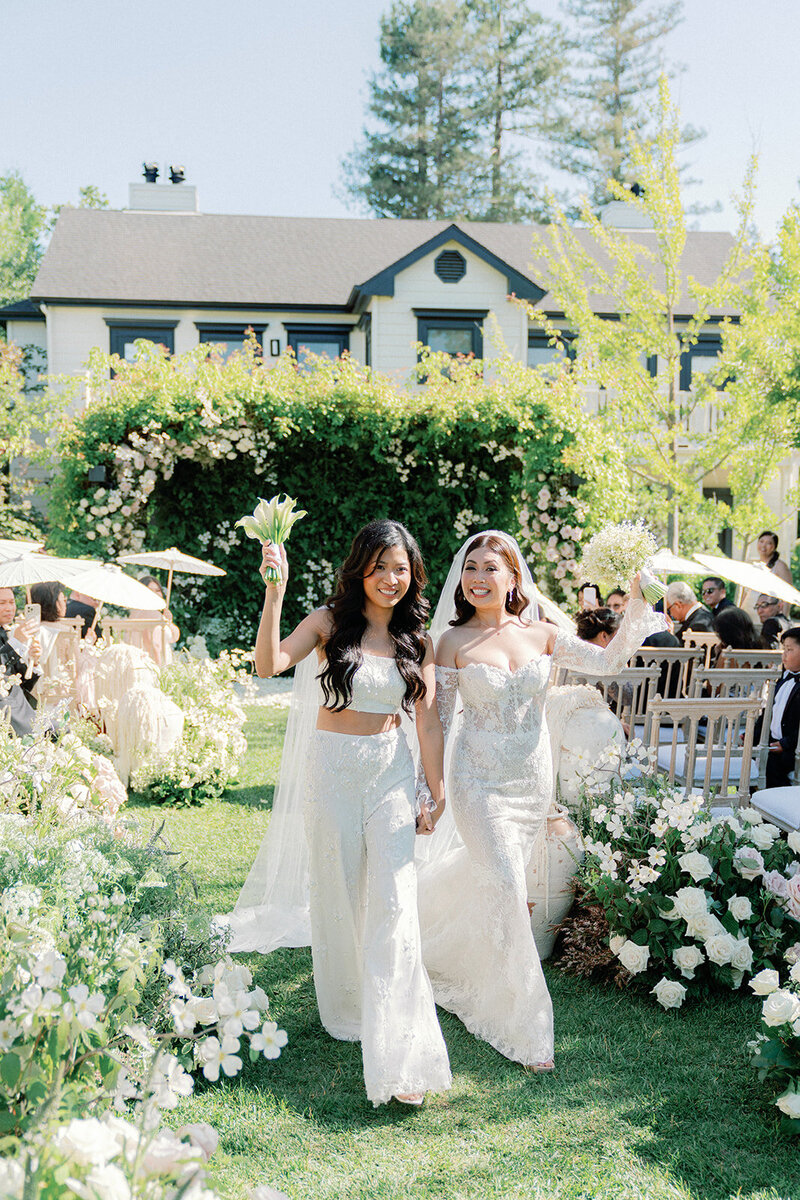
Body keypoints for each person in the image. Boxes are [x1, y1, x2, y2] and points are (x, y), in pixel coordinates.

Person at [416, 532, 662, 1074]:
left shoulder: (545, 634)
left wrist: (636, 602)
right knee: (507, 884)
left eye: (490, 568)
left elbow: (610, 661)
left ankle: (439, 948)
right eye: (470, 568)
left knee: (497, 884)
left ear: (513, 577)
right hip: (477, 783)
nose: (477, 578)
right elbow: (435, 723)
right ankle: (523, 1023)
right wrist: (428, 791)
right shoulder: (450, 642)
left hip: (529, 784)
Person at [229, 520, 451, 1109]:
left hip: (391, 773)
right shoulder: (329, 622)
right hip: (332, 772)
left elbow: (428, 722)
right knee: (340, 891)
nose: (390, 579)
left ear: (413, 575)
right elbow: (269, 664)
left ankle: (402, 1043)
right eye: (380, 567)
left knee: (395, 899)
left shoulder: (418, 640)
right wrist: (274, 593)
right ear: (361, 569)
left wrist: (436, 792)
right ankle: (348, 1006)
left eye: (400, 569)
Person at [754, 627, 800, 788]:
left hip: (792, 749)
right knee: (748, 760)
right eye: (783, 649)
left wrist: (786, 744)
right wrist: (753, 735)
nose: (784, 655)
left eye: (789, 650)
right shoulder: (783, 678)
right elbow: (769, 712)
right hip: (772, 742)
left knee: (770, 769)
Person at [0, 587, 41, 735]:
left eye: (12, 602)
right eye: (2, 603)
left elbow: (23, 684)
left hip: (21, 711)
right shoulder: (12, 637)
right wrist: (15, 642)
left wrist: (33, 662)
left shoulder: (5, 632)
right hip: (7, 716)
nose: (9, 608)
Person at [129, 576, 180, 667]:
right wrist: (160, 670)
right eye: (150, 590)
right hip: (153, 664)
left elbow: (174, 637)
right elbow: (153, 645)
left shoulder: (141, 611)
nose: (155, 594)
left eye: (158, 590)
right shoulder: (148, 613)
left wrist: (169, 621)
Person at [747, 531, 793, 616]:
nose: (763, 546)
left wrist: (783, 618)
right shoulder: (754, 565)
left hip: (770, 615)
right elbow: (746, 592)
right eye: (761, 541)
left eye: (768, 543)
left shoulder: (780, 566)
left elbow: (788, 595)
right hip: (750, 612)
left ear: (774, 547)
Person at [29, 581, 67, 671]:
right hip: (62, 677)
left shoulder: (27, 629)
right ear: (54, 604)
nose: (65, 604)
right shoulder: (67, 630)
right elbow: (77, 666)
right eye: (63, 600)